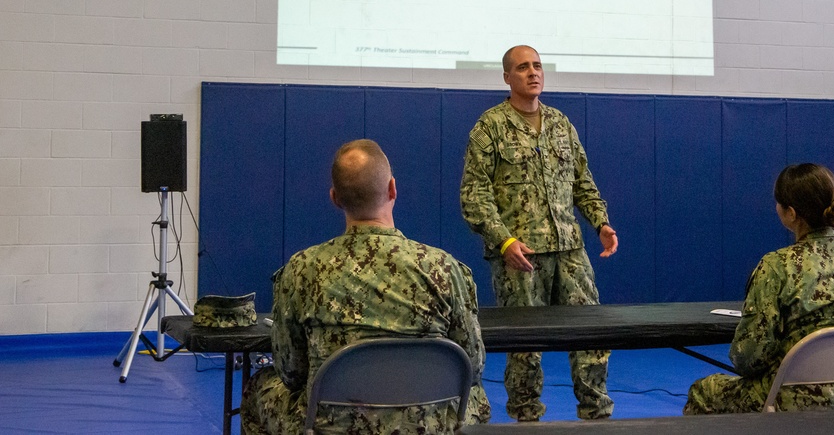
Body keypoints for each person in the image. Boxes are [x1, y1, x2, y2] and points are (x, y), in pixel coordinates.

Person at [241, 139, 491, 434]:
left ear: (335, 198)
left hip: (330, 426)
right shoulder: (443, 267)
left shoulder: (302, 269)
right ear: (393, 189)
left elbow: (290, 372)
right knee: (477, 396)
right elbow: (472, 365)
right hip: (427, 423)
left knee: (259, 385)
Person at [459, 45, 619, 422]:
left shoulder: (561, 124)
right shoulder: (490, 127)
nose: (533, 72)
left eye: (537, 66)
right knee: (525, 349)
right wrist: (505, 240)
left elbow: (583, 182)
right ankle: (526, 419)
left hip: (570, 250)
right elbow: (473, 195)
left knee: (591, 338)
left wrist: (601, 222)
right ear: (507, 78)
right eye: (522, 67)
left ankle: (597, 415)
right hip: (521, 256)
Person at [684, 163, 834, 414]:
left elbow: (748, 357)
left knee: (704, 392)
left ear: (791, 213)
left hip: (795, 400)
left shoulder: (776, 267)